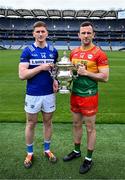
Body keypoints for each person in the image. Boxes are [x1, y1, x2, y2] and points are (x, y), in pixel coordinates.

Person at [63, 21, 109, 174]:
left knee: (90, 128)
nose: (86, 35)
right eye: (83, 33)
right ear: (79, 35)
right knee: (76, 124)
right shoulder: (74, 52)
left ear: (93, 35)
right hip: (75, 94)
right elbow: (71, 73)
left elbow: (105, 77)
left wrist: (87, 73)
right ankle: (77, 151)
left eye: (89, 33)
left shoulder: (99, 53)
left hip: (89, 95)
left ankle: (88, 158)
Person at [19, 21, 59, 168]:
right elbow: (22, 75)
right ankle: (30, 153)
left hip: (49, 94)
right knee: (31, 123)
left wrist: (55, 81)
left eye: (43, 31)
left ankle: (47, 150)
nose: (41, 34)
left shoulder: (53, 51)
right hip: (33, 94)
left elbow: (54, 71)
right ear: (33, 34)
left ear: (47, 33)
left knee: (48, 123)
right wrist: (40, 68)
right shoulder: (27, 51)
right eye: (38, 32)